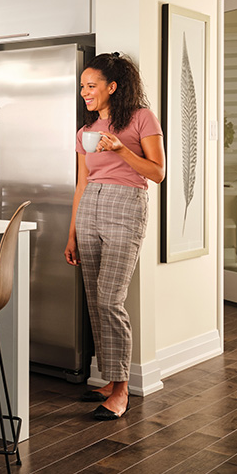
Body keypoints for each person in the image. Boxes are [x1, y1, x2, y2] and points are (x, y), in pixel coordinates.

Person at [64, 52, 165, 421]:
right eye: (82, 87)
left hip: (126, 207)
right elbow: (81, 183)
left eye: (91, 86)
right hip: (90, 207)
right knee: (94, 299)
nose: (85, 93)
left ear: (112, 87)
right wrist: (72, 233)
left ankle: (121, 389)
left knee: (111, 299)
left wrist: (121, 149)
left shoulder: (141, 119)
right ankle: (108, 379)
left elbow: (157, 173)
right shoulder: (85, 132)